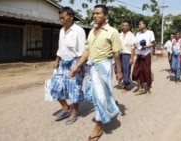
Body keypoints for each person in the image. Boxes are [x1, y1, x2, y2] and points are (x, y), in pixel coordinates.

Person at [69, 5, 122, 141]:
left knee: (101, 97)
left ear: (105, 15)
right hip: (92, 68)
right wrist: (77, 66)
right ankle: (104, 115)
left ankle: (99, 125)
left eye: (98, 13)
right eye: (93, 13)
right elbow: (86, 51)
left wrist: (119, 70)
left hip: (104, 67)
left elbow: (116, 53)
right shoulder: (92, 31)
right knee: (93, 95)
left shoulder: (112, 31)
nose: (95, 16)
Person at [50, 7, 86, 125]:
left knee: (74, 89)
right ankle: (65, 108)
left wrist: (79, 67)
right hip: (63, 63)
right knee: (55, 87)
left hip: (75, 62)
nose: (61, 20)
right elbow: (60, 48)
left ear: (71, 17)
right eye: (60, 18)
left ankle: (74, 112)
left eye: (63, 18)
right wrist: (57, 60)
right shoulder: (62, 30)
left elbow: (82, 51)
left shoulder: (79, 31)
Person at [132, 19, 155, 95]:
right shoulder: (138, 34)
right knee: (136, 72)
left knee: (147, 72)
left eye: (140, 24)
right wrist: (138, 47)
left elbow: (153, 44)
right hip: (139, 55)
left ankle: (148, 89)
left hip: (146, 55)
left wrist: (145, 47)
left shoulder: (150, 33)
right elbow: (135, 44)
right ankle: (140, 88)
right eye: (138, 24)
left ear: (144, 25)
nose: (139, 25)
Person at [119, 20, 135, 93]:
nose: (124, 27)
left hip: (127, 55)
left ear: (129, 27)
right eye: (123, 25)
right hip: (119, 54)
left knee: (126, 70)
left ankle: (125, 84)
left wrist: (132, 58)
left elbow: (133, 47)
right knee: (119, 69)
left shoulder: (131, 35)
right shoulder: (120, 34)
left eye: (126, 25)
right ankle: (125, 80)